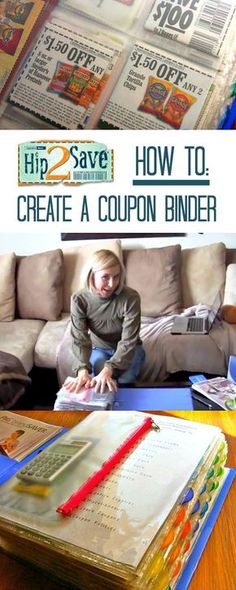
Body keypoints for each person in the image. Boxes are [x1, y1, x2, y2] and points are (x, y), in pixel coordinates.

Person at [63, 249, 145, 394]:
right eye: (105, 277)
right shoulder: (79, 299)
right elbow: (79, 339)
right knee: (98, 384)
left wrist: (110, 369)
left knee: (126, 381)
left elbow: (128, 341)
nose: (112, 284)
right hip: (99, 348)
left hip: (130, 349)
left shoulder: (131, 297)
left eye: (116, 276)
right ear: (91, 275)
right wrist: (82, 370)